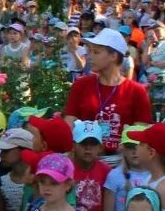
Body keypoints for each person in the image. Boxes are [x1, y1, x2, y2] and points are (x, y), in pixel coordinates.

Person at [62, 28, 152, 157]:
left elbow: (140, 132)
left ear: (114, 56)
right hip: (86, 162)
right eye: (90, 51)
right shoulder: (81, 85)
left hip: (122, 163)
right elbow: (69, 125)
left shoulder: (136, 91)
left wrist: (126, 147)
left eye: (96, 52)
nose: (90, 56)